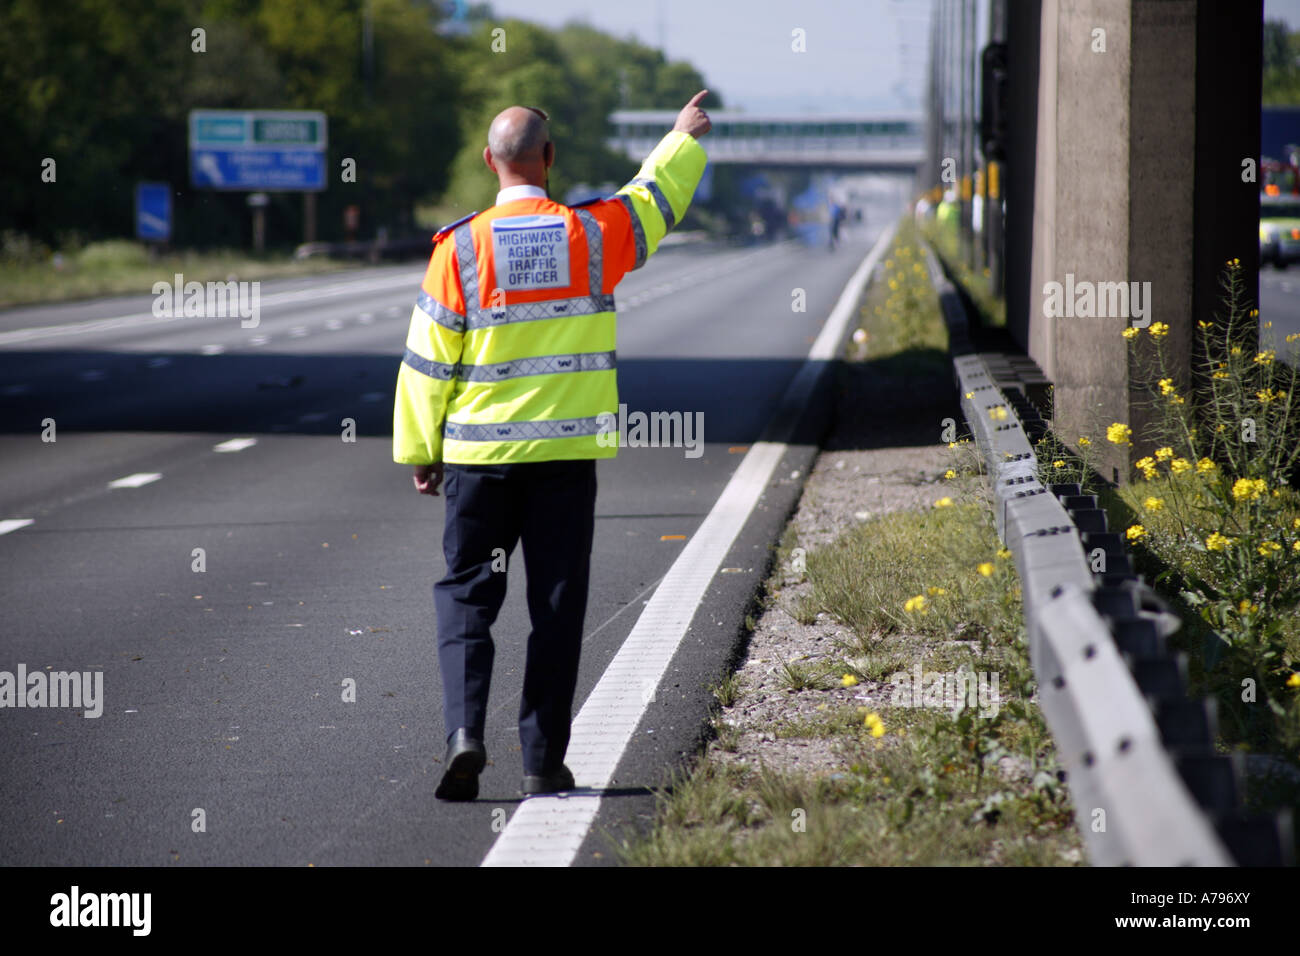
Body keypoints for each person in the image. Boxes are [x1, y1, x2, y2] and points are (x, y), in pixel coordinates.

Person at [393, 92, 712, 801]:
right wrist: (680, 138)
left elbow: (427, 360)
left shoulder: (461, 247)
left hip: (479, 462)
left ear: (488, 162)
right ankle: (543, 761)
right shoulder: (592, 235)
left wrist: (423, 448)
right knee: (557, 608)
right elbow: (654, 199)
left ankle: (464, 734)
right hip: (564, 461)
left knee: (468, 599)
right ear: (551, 158)